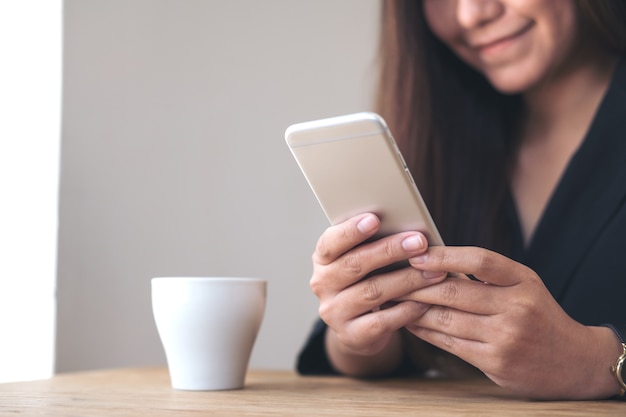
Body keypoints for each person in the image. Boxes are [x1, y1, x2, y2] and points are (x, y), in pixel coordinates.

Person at [296, 0, 626, 401]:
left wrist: (597, 364)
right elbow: (354, 352)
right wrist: (358, 330)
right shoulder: (441, 137)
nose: (471, 14)